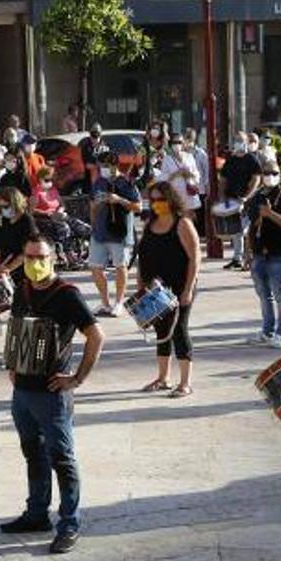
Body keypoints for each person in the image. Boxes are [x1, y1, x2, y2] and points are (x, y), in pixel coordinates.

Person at [0, 235, 104, 554]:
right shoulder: (23, 290)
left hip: (52, 393)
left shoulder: (67, 295)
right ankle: (36, 513)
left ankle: (69, 522)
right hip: (23, 392)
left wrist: (77, 378)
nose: (35, 263)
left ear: (53, 257)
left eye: (40, 257)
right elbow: (16, 328)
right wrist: (12, 364)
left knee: (62, 458)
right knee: (33, 452)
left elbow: (96, 336)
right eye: (29, 257)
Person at [135, 181, 201, 397]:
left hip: (180, 286)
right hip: (156, 290)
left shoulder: (182, 224)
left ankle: (185, 382)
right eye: (153, 200)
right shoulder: (150, 225)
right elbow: (142, 258)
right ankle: (163, 378)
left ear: (171, 200)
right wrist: (141, 285)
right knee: (161, 332)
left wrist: (188, 290)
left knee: (179, 330)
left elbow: (195, 258)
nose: (156, 204)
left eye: (160, 199)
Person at [247, 159, 281, 347]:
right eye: (267, 173)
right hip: (259, 253)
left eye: (274, 173)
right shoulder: (257, 197)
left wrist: (271, 215)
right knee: (263, 295)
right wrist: (248, 252)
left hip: (278, 253)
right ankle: (267, 330)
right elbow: (251, 227)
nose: (270, 177)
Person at [88, 151, 138, 318]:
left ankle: (118, 302)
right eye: (101, 166)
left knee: (120, 266)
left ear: (115, 166)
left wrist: (119, 200)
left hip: (119, 232)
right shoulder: (98, 182)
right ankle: (105, 303)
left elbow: (138, 207)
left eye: (106, 166)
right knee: (95, 267)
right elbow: (92, 204)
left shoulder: (126, 182)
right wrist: (94, 213)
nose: (103, 169)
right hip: (100, 231)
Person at [218, 135, 261, 270]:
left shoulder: (251, 159)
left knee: (244, 229)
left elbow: (256, 179)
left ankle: (248, 257)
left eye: (241, 141)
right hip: (232, 199)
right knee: (237, 231)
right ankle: (237, 258)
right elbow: (223, 179)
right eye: (236, 140)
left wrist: (247, 197)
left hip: (247, 201)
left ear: (246, 143)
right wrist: (222, 196)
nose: (238, 143)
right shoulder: (231, 160)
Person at [0, 186, 39, 282]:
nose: (4, 210)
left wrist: (9, 268)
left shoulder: (27, 221)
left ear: (15, 203)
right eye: (1, 207)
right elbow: (0, 246)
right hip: (6, 265)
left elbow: (27, 250)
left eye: (6, 207)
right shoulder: (4, 220)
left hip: (24, 267)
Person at [157, 128, 202, 221]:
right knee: (178, 219)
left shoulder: (189, 157)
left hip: (189, 193)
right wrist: (176, 174)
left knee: (190, 219)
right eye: (174, 142)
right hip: (175, 195)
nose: (177, 144)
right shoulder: (167, 159)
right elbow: (162, 179)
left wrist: (189, 174)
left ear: (183, 143)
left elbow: (196, 174)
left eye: (179, 142)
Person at [79, 125, 108, 190]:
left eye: (97, 137)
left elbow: (110, 164)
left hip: (103, 181)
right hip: (89, 181)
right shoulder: (86, 148)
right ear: (90, 135)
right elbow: (87, 165)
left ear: (100, 136)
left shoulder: (106, 147)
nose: (95, 139)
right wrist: (98, 165)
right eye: (93, 137)